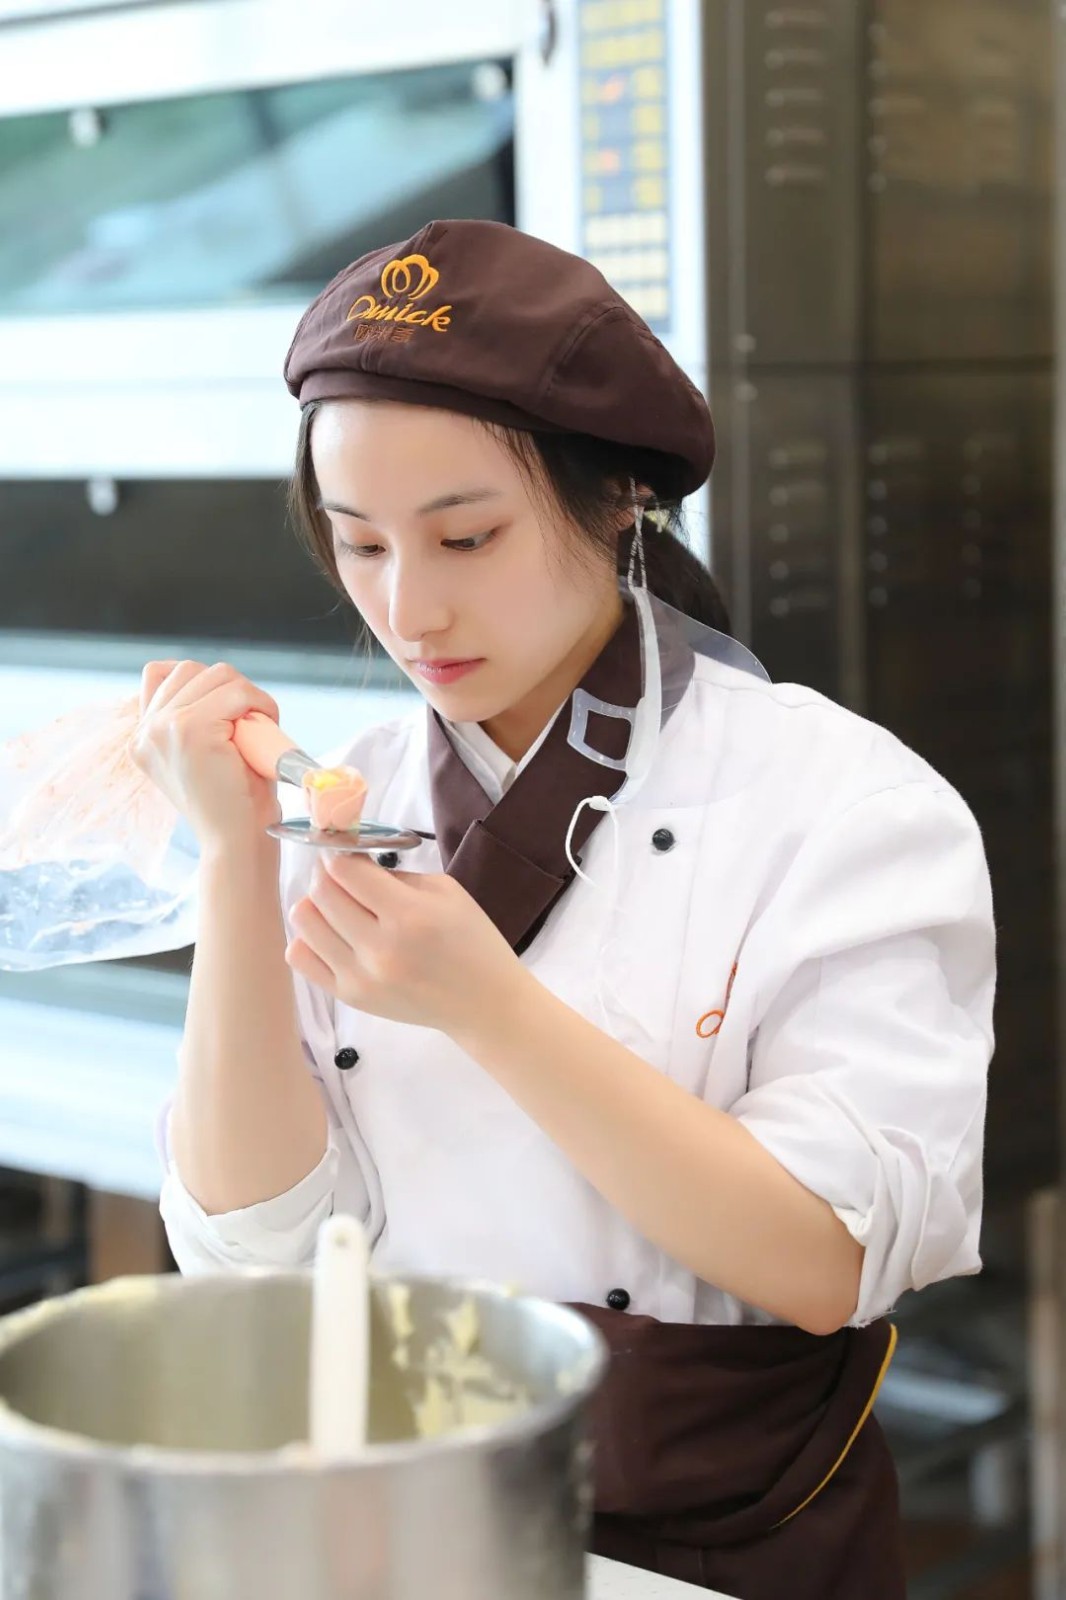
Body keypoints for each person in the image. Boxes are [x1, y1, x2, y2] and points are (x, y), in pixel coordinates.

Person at [136, 220, 995, 1599]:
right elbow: (250, 1254)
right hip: (394, 1524)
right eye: (359, 545)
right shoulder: (345, 793)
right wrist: (236, 859)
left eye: (466, 537)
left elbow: (824, 1263)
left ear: (617, 503)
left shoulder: (844, 806)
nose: (409, 610)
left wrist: (489, 1008)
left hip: (727, 1544)